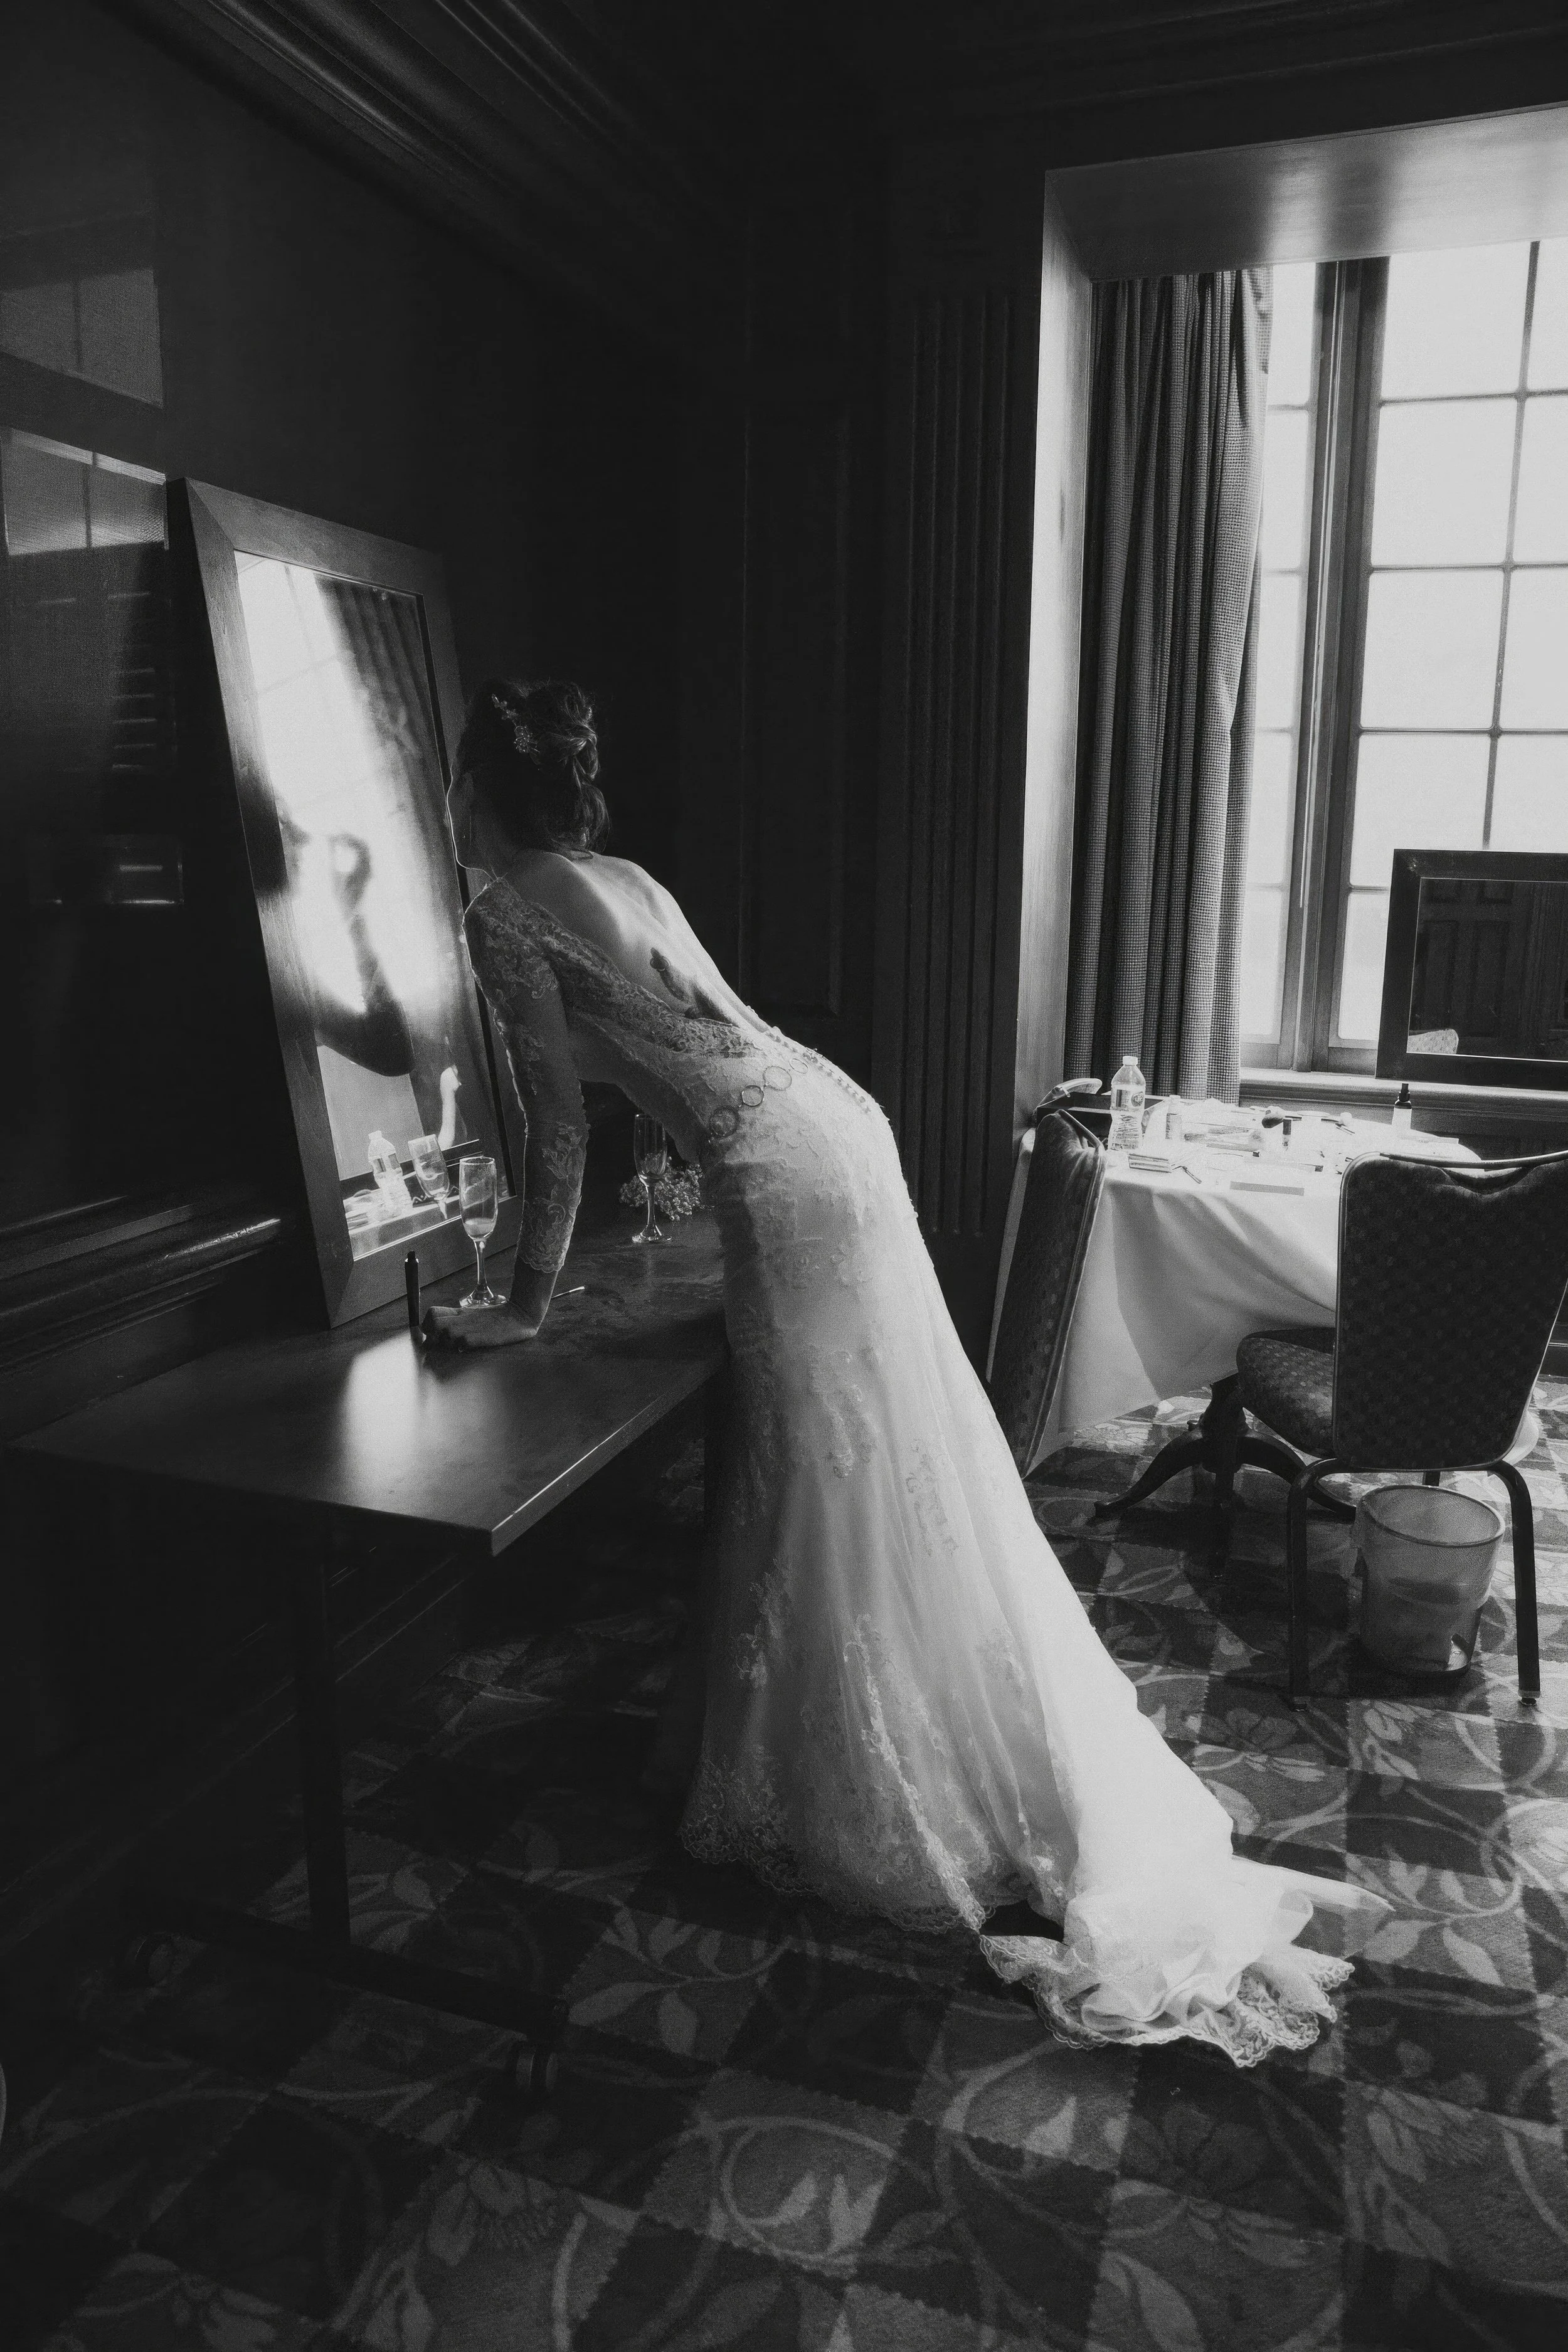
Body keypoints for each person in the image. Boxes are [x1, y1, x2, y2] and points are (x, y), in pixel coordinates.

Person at [428, 675, 1389, 2065]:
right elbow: (697, 1038)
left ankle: (860, 1776)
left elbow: (558, 1134)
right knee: (865, 1452)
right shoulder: (617, 875)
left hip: (777, 1175)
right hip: (831, 1120)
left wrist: (525, 1304)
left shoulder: (503, 909)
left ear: (468, 787)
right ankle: (834, 1732)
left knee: (817, 1459)